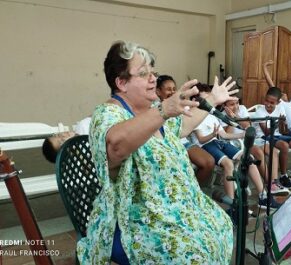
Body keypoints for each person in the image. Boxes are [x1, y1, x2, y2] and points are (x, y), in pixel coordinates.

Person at [76, 40, 237, 264]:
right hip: (137, 221)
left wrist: (212, 99)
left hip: (175, 209)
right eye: (143, 73)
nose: (153, 78)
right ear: (121, 82)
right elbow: (115, 145)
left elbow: (182, 126)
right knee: (193, 255)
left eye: (153, 72)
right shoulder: (108, 114)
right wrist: (164, 109)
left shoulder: (152, 111)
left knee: (220, 225)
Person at [193, 84, 282, 209]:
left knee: (248, 158)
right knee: (228, 164)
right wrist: (213, 134)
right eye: (205, 100)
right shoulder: (195, 117)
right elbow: (201, 140)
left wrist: (243, 133)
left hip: (219, 142)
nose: (209, 103)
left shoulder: (212, 115)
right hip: (206, 145)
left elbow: (223, 135)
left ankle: (263, 196)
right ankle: (232, 205)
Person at [222, 98, 290, 196]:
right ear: (225, 106)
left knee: (273, 150)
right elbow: (227, 134)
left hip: (249, 138)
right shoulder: (222, 114)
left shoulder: (242, 109)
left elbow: (248, 127)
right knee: (258, 152)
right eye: (232, 104)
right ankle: (270, 185)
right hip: (235, 142)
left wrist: (236, 116)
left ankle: (274, 182)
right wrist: (231, 119)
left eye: (237, 103)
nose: (236, 106)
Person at [156, 74, 215, 186]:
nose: (172, 92)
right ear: (158, 91)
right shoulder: (155, 109)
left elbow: (188, 124)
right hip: (169, 146)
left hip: (184, 142)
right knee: (183, 166)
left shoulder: (181, 105)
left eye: (174, 89)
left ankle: (195, 190)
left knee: (209, 162)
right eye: (168, 89)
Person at [260, 60, 291, 186]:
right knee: (284, 146)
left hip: (282, 133)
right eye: (282, 94)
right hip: (272, 135)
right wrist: (265, 68)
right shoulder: (279, 103)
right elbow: (271, 85)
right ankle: (283, 175)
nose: (284, 94)